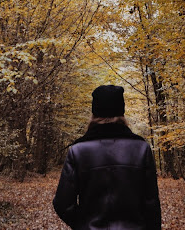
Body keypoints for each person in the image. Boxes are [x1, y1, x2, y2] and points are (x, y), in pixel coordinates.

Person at [53, 84, 162, 230]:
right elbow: (152, 204)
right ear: (121, 112)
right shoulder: (141, 149)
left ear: (94, 113)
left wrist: (84, 224)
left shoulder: (78, 151)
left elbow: (62, 203)